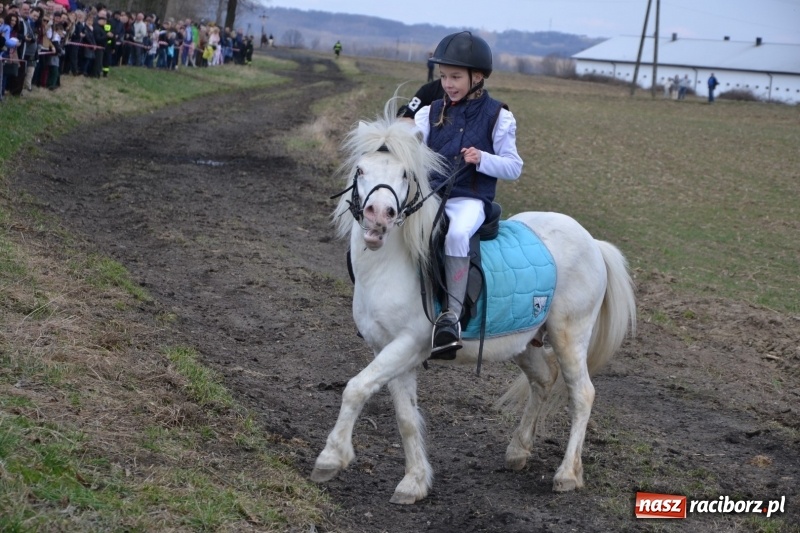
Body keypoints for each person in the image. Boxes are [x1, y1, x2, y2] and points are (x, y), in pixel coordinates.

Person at [412, 31, 523, 356]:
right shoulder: (429, 113)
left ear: (478, 77)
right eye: (444, 76)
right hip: (431, 196)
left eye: (455, 77)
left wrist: (483, 159)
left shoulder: (498, 116)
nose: (447, 84)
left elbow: (514, 167)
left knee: (458, 234)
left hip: (469, 200)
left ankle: (452, 317)